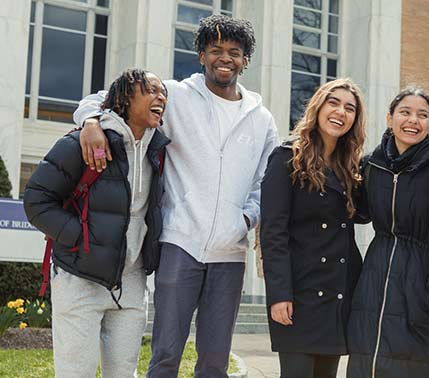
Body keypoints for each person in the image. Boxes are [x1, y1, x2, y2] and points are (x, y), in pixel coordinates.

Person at [73, 15, 279, 377]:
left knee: (215, 361)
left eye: (234, 51)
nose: (225, 58)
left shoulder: (261, 118)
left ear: (246, 60)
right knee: (166, 354)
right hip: (179, 243)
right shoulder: (174, 96)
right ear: (201, 55)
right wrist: (91, 121)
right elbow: (105, 98)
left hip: (230, 254)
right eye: (216, 50)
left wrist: (246, 218)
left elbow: (268, 180)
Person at [24, 69, 169, 378]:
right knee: (76, 372)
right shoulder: (83, 142)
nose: (162, 97)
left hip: (131, 282)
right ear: (126, 99)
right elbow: (36, 200)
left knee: (123, 373)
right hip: (80, 276)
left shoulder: (159, 150)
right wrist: (82, 239)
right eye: (152, 90)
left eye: (163, 93)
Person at [345, 88, 429, 377]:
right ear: (390, 118)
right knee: (369, 364)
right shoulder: (371, 165)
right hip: (374, 288)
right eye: (405, 112)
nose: (412, 120)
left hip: (424, 288)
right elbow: (359, 213)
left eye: (422, 115)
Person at [260, 78, 366, 377]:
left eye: (349, 108)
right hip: (299, 293)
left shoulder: (350, 168)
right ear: (318, 107)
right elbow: (273, 232)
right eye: (334, 103)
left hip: (337, 291)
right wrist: (279, 294)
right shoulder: (286, 158)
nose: (341, 112)